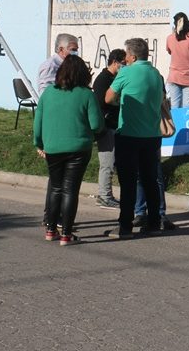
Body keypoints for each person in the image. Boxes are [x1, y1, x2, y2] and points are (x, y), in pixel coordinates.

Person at [34, 54, 104, 246]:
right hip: (78, 148)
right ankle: (66, 233)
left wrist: (39, 143)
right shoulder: (86, 94)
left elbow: (37, 122)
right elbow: (97, 124)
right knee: (70, 190)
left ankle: (50, 229)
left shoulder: (48, 93)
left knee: (56, 187)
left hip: (53, 147)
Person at [105, 38, 166, 238]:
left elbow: (108, 97)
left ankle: (125, 226)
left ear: (132, 56)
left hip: (129, 134)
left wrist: (119, 102)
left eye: (126, 55)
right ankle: (155, 222)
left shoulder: (126, 72)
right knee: (150, 180)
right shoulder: (156, 74)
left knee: (128, 182)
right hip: (152, 135)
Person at [91, 49, 125, 209]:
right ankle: (104, 196)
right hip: (106, 126)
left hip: (115, 125)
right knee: (107, 163)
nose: (125, 67)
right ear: (115, 62)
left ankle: (107, 195)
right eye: (123, 64)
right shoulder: (103, 80)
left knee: (114, 162)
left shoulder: (116, 78)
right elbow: (100, 104)